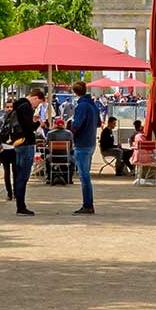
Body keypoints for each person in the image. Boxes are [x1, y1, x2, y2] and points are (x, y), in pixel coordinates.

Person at [68, 80, 101, 214]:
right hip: (91, 142)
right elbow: (98, 123)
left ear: (75, 92)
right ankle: (88, 203)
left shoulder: (81, 106)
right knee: (85, 174)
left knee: (84, 176)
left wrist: (71, 124)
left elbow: (76, 125)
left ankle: (87, 204)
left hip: (82, 143)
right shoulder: (93, 105)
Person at [11, 88, 41, 215]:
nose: (36, 106)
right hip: (27, 143)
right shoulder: (26, 107)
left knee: (19, 175)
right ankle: (21, 206)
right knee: (23, 176)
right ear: (35, 98)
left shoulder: (18, 105)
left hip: (18, 143)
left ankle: (20, 204)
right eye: (38, 103)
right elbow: (29, 127)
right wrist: (38, 123)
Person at [0, 96, 19, 201]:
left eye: (11, 107)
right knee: (6, 172)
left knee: (15, 172)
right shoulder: (0, 120)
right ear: (4, 108)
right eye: (7, 107)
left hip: (14, 149)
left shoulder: (17, 120)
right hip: (4, 150)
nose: (9, 109)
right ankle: (9, 192)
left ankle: (15, 192)